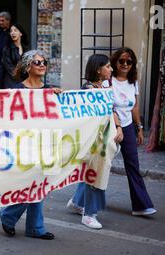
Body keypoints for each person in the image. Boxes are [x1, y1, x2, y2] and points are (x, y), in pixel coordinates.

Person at [0, 50, 61, 240]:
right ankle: (9, 216)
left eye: (44, 62)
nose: (42, 65)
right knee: (32, 185)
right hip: (24, 145)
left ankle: (34, 226)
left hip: (45, 144)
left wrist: (59, 99)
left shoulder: (49, 90)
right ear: (27, 66)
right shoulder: (18, 91)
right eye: (37, 62)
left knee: (40, 184)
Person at [66, 54, 123, 229]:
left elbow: (112, 110)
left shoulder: (104, 87)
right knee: (95, 173)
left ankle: (77, 202)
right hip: (93, 142)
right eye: (107, 66)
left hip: (103, 141)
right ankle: (89, 214)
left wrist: (119, 127)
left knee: (92, 172)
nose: (111, 69)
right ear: (98, 70)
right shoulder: (87, 90)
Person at [110, 47, 156, 216]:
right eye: (121, 61)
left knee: (133, 165)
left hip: (128, 126)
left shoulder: (133, 82)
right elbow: (107, 106)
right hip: (110, 126)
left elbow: (135, 107)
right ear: (115, 62)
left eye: (129, 62)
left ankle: (141, 205)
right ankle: (79, 201)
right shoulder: (109, 80)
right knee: (102, 164)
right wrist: (117, 127)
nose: (125, 64)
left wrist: (139, 128)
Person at [2, 23, 28, 89]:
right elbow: (8, 66)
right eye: (11, 31)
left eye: (15, 30)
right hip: (10, 81)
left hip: (23, 80)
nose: (12, 33)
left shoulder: (26, 49)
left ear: (21, 34)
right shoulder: (7, 49)